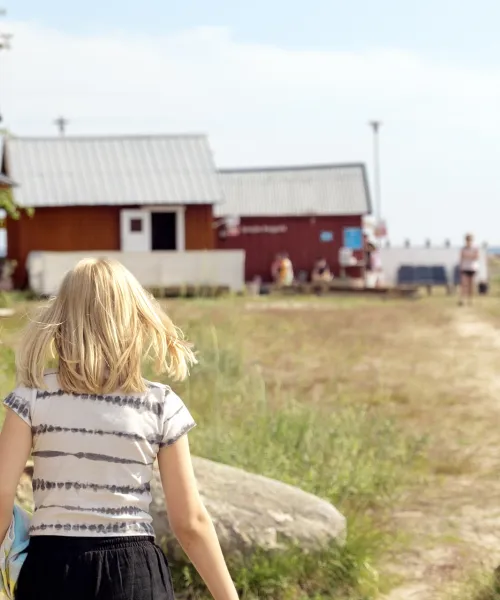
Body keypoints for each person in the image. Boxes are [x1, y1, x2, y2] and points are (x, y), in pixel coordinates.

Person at [0, 258, 239, 600]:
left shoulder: (32, 398)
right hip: (135, 573)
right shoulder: (159, 404)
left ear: (62, 318)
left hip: (52, 570)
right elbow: (189, 522)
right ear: (133, 319)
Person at [459, 233, 479, 305]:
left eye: (470, 240)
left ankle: (470, 300)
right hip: (465, 267)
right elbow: (461, 258)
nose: (468, 241)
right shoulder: (463, 249)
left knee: (471, 285)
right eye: (467, 240)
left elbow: (476, 257)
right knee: (464, 285)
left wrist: (469, 256)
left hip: (472, 268)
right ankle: (462, 300)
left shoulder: (475, 248)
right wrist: (461, 267)